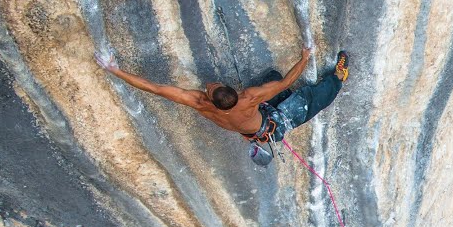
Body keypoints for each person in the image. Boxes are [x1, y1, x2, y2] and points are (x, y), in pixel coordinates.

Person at [95, 48, 349, 147]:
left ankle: (334, 79)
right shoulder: (248, 98)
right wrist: (304, 57)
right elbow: (287, 82)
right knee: (310, 98)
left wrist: (114, 69)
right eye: (210, 87)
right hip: (273, 124)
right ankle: (338, 79)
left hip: (258, 124)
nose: (209, 84)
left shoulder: (199, 103)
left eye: (213, 86)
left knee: (273, 78)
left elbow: (155, 88)